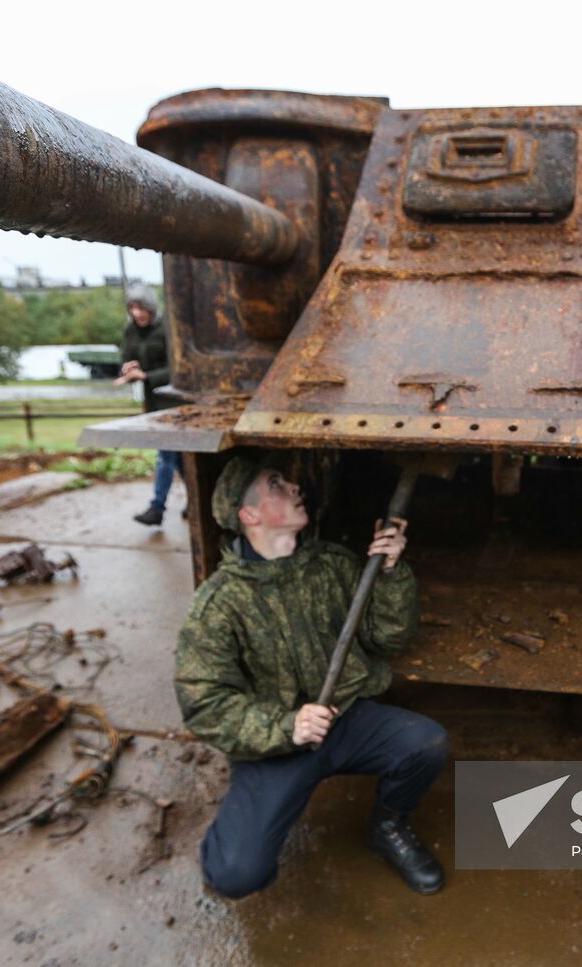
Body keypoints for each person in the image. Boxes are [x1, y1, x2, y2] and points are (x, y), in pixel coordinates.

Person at [174, 454, 448, 898]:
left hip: (344, 720)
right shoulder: (218, 604)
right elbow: (204, 705)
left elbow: (387, 638)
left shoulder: (331, 564)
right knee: (234, 875)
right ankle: (241, 831)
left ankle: (388, 826)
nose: (294, 487)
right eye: (275, 484)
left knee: (426, 743)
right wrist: (288, 726)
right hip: (276, 745)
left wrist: (390, 572)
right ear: (249, 515)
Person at [115, 283, 183, 526]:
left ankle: (157, 508)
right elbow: (127, 356)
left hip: (173, 402)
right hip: (153, 403)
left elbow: (177, 368)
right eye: (132, 308)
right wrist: (128, 368)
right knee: (179, 457)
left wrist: (146, 376)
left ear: (151, 308)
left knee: (165, 455)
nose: (137, 313)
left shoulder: (167, 330)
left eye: (141, 308)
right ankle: (197, 501)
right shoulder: (130, 331)